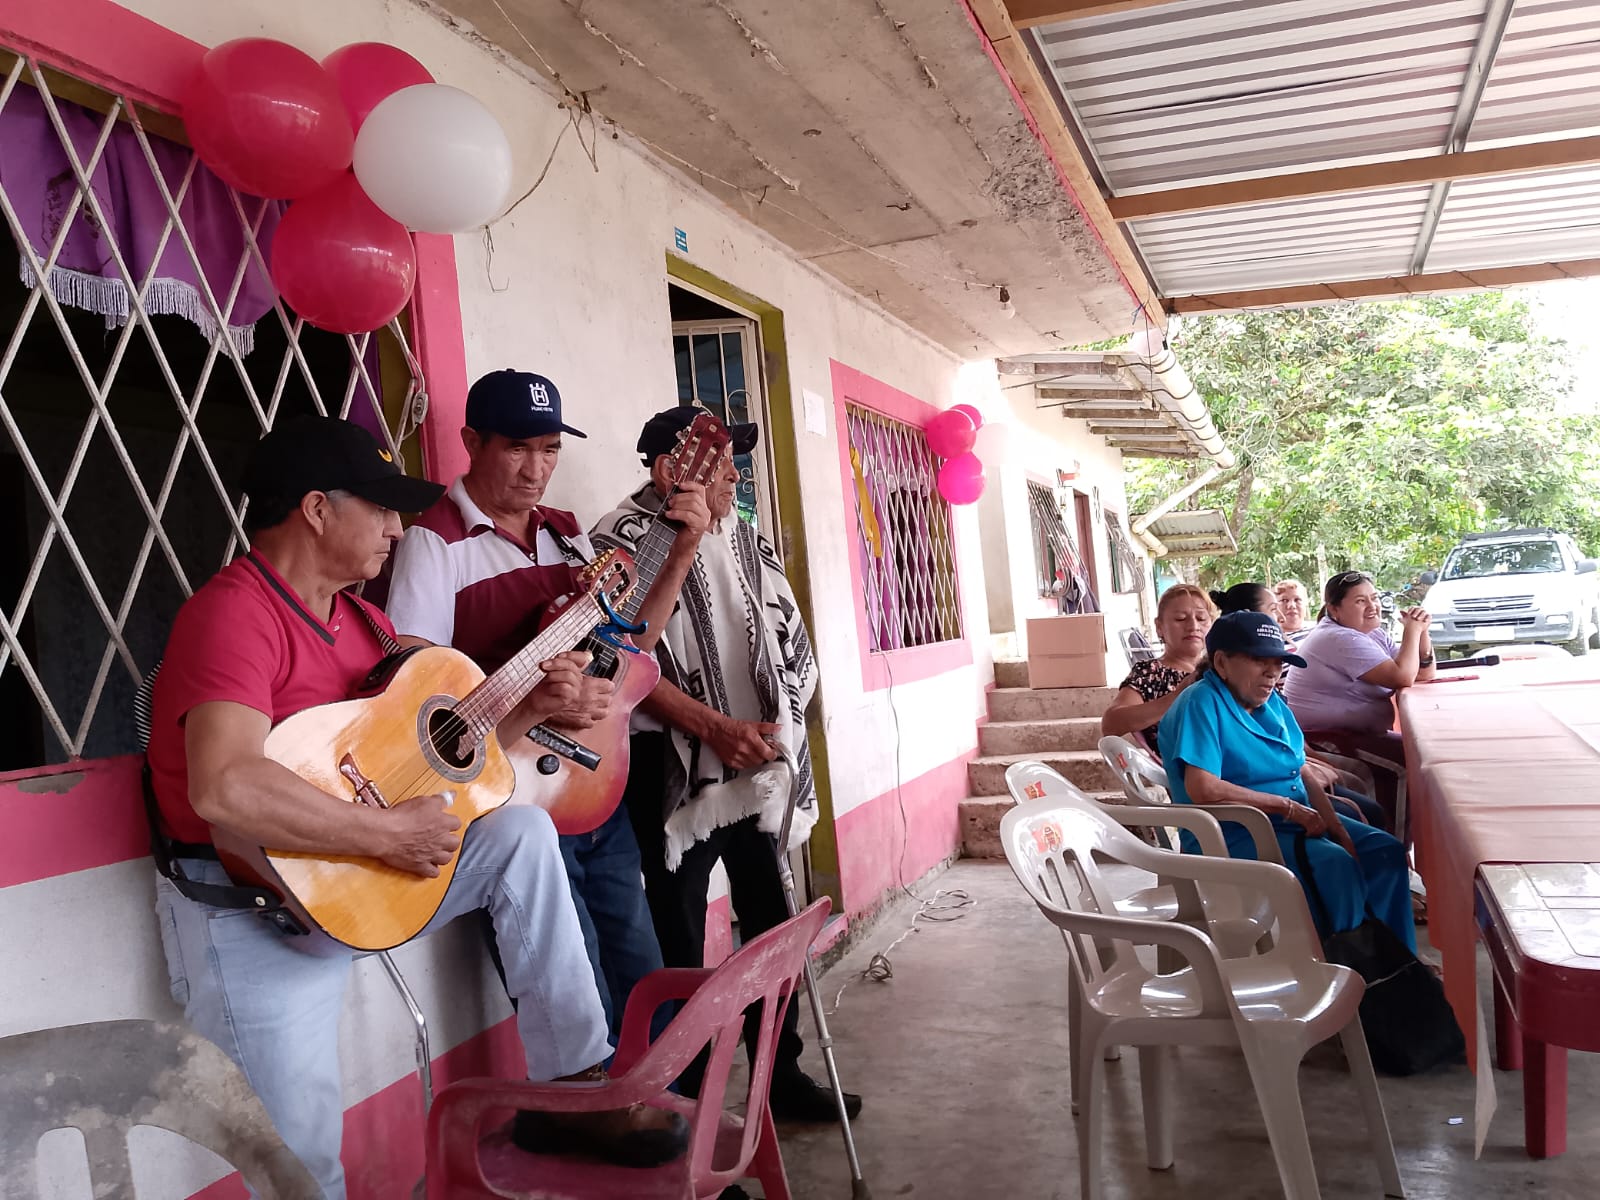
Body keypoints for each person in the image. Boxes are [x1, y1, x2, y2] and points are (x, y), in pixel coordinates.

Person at [146, 416, 688, 1198]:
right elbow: (224, 785)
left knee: (519, 832)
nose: (398, 530)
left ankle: (573, 1084)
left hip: (359, 870)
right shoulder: (233, 613)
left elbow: (451, 756)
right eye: (380, 508)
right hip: (257, 907)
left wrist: (532, 706)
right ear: (316, 509)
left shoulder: (366, 624)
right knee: (300, 1167)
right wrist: (385, 832)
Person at [385, 370, 710, 1041]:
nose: (536, 470)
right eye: (517, 448)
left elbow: (627, 645)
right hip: (510, 802)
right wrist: (533, 700)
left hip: (592, 784)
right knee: (576, 991)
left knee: (642, 973)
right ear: (472, 441)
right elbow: (417, 696)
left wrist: (682, 551)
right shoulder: (433, 542)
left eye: (550, 449)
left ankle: (663, 1095)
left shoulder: (565, 535)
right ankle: (593, 1099)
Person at [596, 405, 862, 1123]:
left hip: (754, 764)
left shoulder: (742, 535)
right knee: (680, 939)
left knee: (771, 922)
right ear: (668, 470)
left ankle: (781, 1073)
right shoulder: (621, 541)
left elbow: (781, 637)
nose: (736, 476)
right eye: (719, 463)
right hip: (671, 768)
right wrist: (713, 729)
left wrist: (774, 725)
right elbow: (620, 661)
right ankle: (690, 1100)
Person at [1158, 612, 1415, 950]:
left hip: (1287, 823)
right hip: (1235, 832)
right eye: (1259, 661)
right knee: (1335, 865)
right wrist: (1288, 808)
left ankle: (1396, 961)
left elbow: (1301, 768)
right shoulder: (1202, 701)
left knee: (1384, 852)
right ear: (1221, 663)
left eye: (1278, 663)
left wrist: (1336, 826)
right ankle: (1345, 964)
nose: (1272, 672)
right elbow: (1203, 787)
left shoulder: (1270, 702)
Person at [1209, 579, 1388, 828]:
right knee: (1360, 799)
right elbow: (1210, 784)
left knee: (1363, 810)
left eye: (1277, 663)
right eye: (1275, 607)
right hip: (1264, 805)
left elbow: (1293, 753)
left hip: (1289, 775)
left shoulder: (1268, 697)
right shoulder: (1207, 699)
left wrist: (1339, 833)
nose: (1282, 616)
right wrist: (1290, 806)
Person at [1283, 569, 1434, 818]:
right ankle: (1396, 838)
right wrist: (1412, 631)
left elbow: (1423, 673)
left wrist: (1423, 632)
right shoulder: (1337, 637)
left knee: (1421, 753)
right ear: (1334, 609)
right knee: (1407, 763)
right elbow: (1403, 676)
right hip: (1322, 738)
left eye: (1374, 598)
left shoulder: (1372, 633)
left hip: (1356, 733)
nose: (1372, 606)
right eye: (1360, 601)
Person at [1100, 584, 1213, 757]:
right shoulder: (1150, 673)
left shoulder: (1220, 669)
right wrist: (1178, 696)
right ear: (1159, 627)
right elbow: (1111, 723)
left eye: (1201, 618)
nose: (1193, 626)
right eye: (1181, 619)